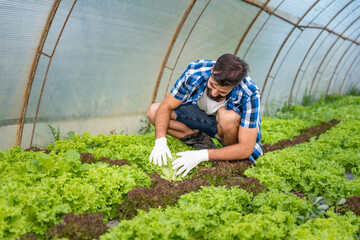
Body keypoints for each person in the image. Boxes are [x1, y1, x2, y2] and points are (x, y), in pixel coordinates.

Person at [147, 53, 262, 177]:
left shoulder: (249, 93)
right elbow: (166, 106)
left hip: (229, 131)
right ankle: (205, 144)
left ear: (236, 85)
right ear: (213, 70)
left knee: (228, 117)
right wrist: (160, 141)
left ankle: (228, 159)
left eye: (222, 92)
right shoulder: (196, 71)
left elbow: (246, 148)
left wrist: (202, 156)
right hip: (202, 117)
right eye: (212, 85)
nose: (213, 93)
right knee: (154, 111)